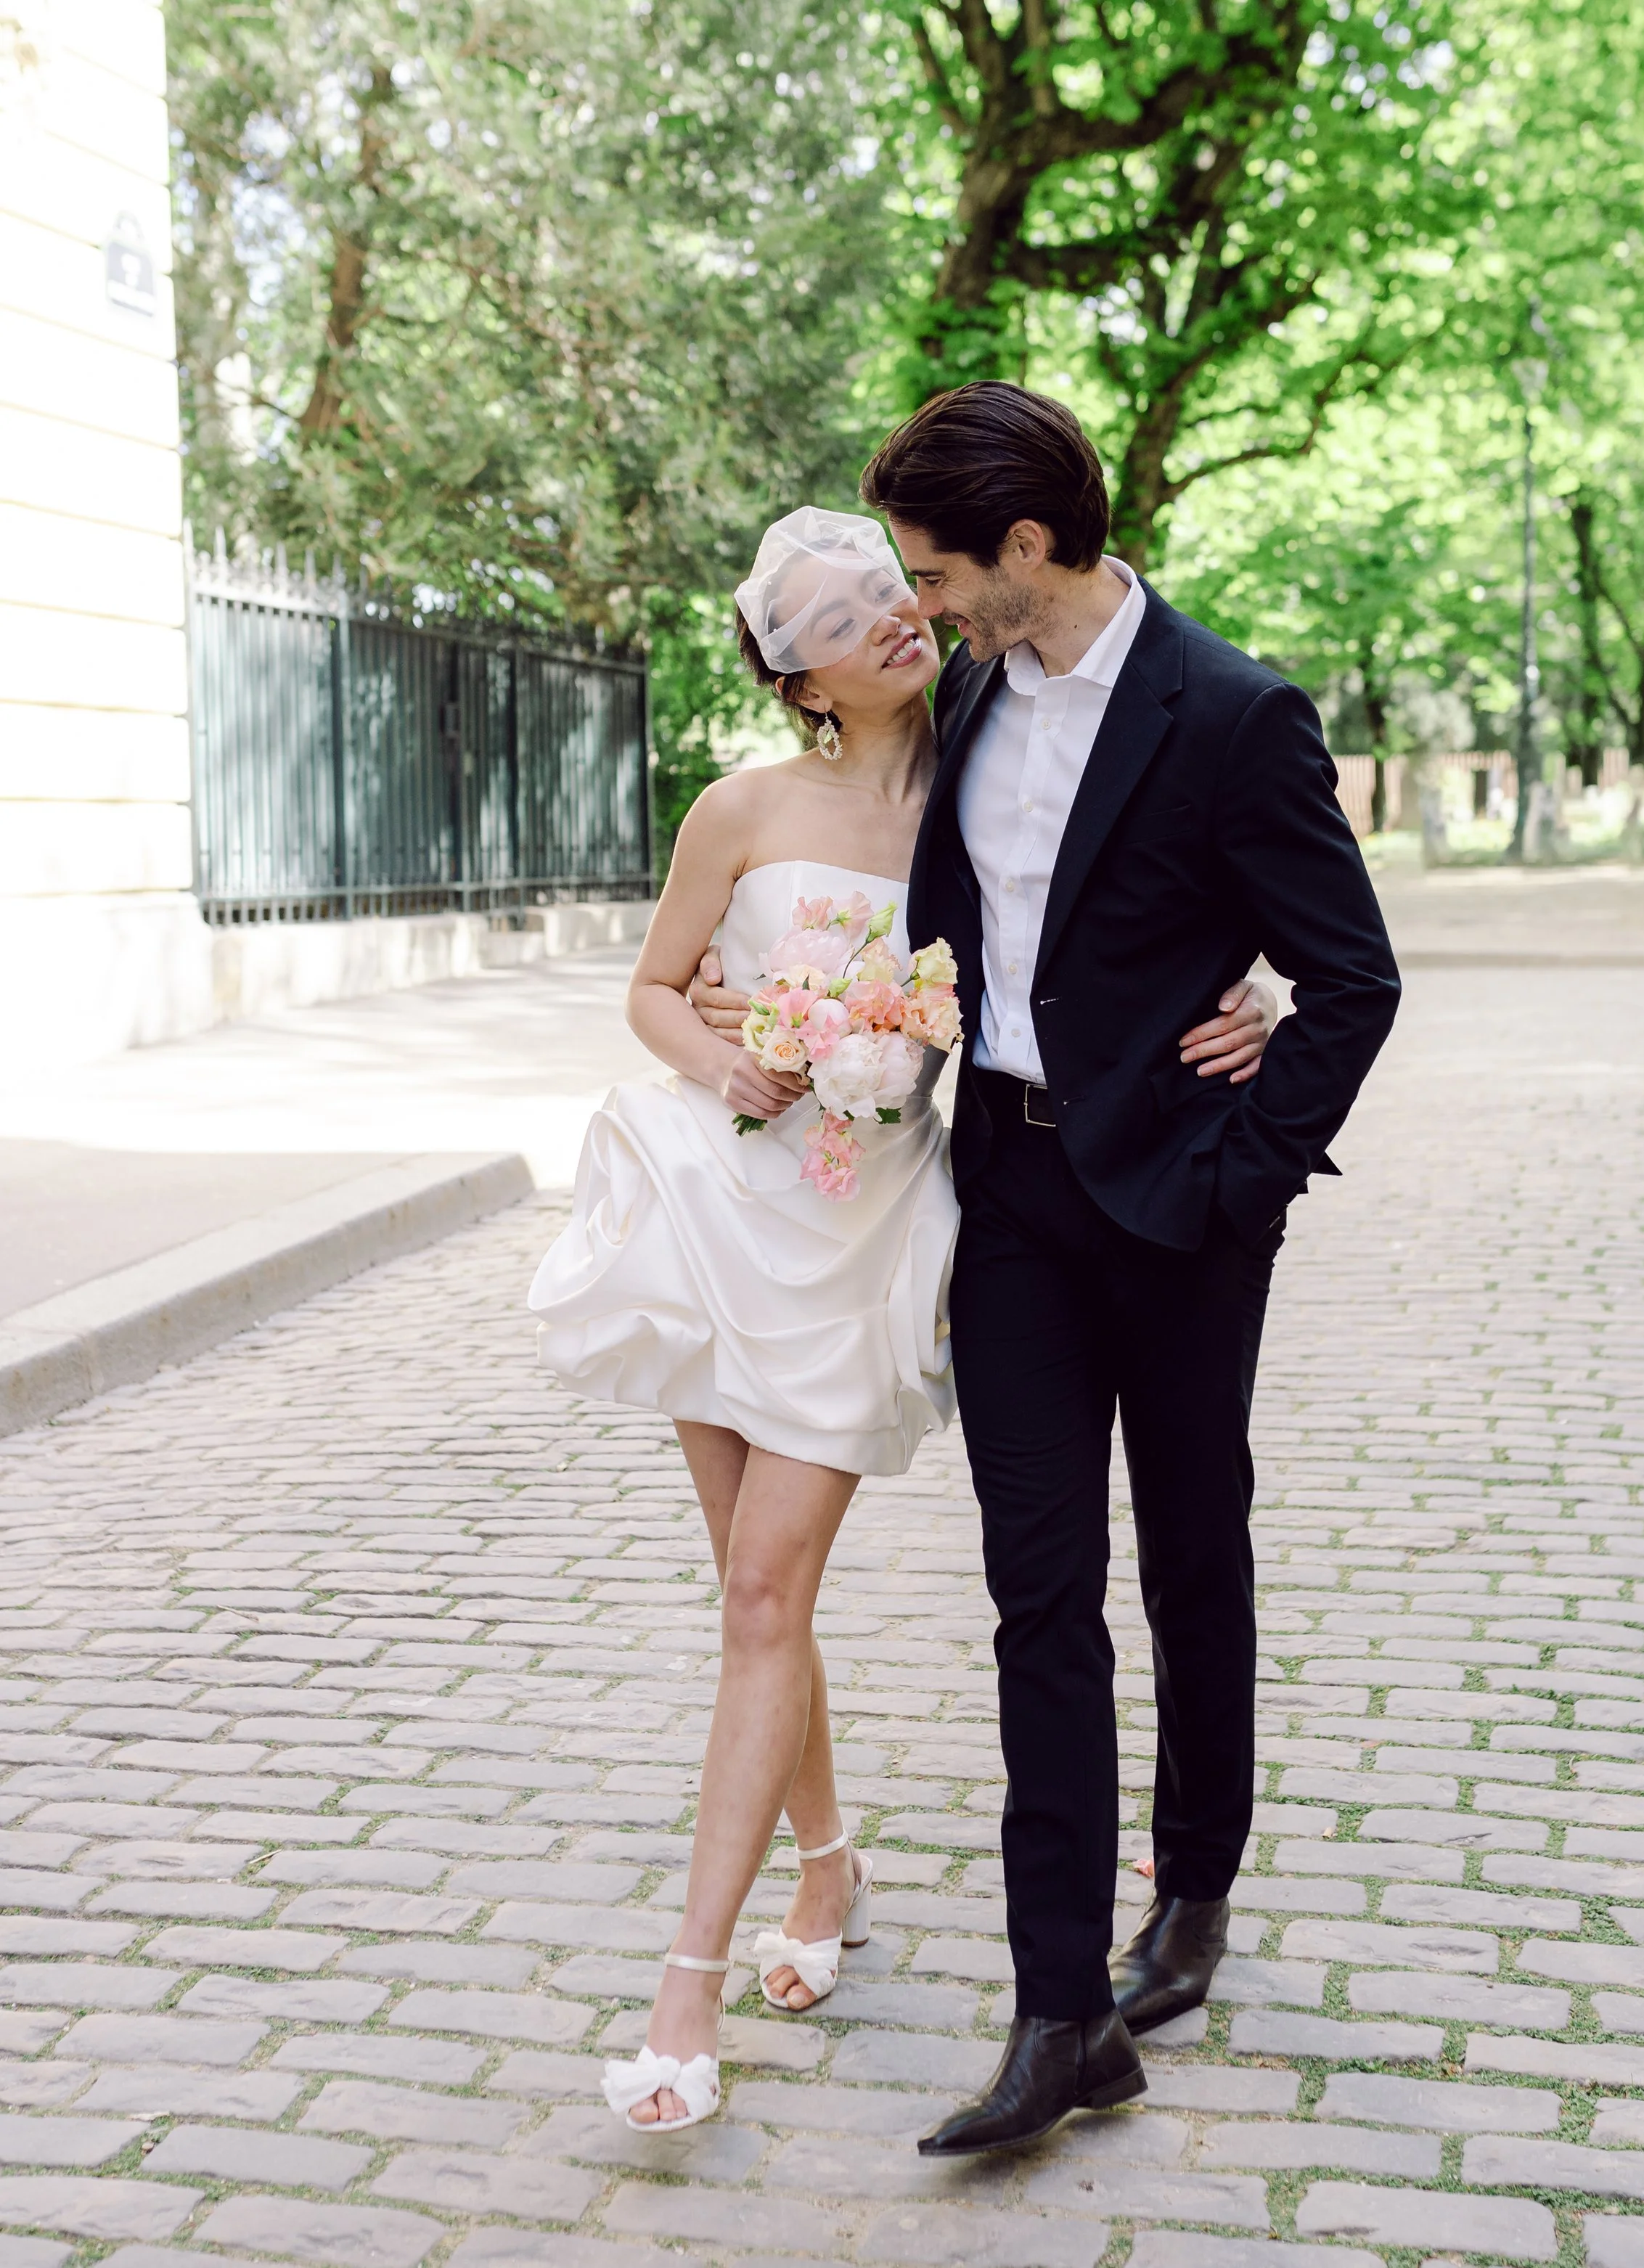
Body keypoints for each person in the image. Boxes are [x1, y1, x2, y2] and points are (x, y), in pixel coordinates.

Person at [690, 382, 1400, 2156]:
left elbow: (1352, 976)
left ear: (1026, 546)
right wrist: (744, 996)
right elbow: (873, 880)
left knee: (1190, 1548)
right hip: (1003, 1196)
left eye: (934, 574)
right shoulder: (969, 697)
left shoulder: (1229, 712)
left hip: (1180, 1209)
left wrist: (1241, 1158)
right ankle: (1058, 2009)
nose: (916, 607)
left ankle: (1195, 1881)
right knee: (1037, 1595)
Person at [528, 502, 1277, 2134]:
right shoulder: (739, 807)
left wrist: (1256, 990)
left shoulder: (994, 754)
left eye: (888, 586)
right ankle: (824, 1868)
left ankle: (685, 1994)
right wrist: (723, 1050)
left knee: (763, 1586)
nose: (885, 614)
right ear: (799, 678)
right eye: (839, 616)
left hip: (868, 1230)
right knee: (756, 1592)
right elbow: (655, 986)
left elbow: (1146, 875)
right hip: (722, 1206)